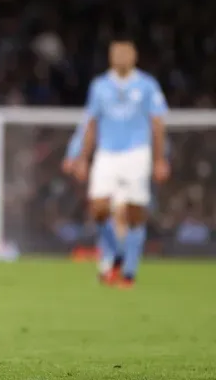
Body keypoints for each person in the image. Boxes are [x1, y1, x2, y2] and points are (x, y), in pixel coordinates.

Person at [68, 38, 169, 287]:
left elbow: (157, 124)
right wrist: (82, 157)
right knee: (99, 208)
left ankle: (129, 272)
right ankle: (118, 253)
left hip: (137, 153)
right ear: (111, 57)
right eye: (117, 52)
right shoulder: (100, 86)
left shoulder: (147, 85)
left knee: (134, 213)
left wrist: (159, 159)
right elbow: (91, 124)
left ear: (134, 56)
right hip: (107, 154)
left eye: (127, 52)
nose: (122, 56)